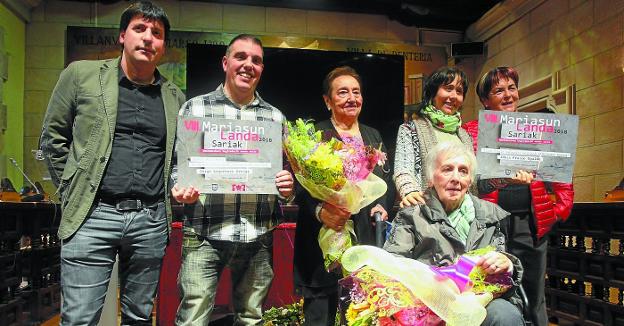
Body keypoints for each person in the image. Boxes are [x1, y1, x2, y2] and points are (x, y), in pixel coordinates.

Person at [38, 1, 185, 324]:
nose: (148, 38)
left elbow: (177, 157)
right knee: (79, 319)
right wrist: (73, 188)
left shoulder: (174, 97)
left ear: (163, 45)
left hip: (150, 220)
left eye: (156, 33)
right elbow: (52, 139)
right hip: (93, 215)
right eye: (139, 29)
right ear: (122, 35)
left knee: (139, 317)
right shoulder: (81, 75)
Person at [171, 34, 294, 325]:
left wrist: (287, 188)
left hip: (258, 234)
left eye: (256, 60)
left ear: (262, 69)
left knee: (251, 319)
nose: (248, 65)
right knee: (192, 319)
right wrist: (180, 187)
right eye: (241, 57)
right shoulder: (194, 109)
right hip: (204, 232)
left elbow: (287, 178)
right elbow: (178, 167)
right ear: (226, 62)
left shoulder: (276, 119)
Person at [463, 66, 574, 326]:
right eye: (498, 90)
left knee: (534, 294)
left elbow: (561, 176)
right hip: (488, 224)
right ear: (485, 100)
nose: (507, 95)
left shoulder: (538, 128)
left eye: (511, 88)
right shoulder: (470, 130)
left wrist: (559, 210)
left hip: (529, 223)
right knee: (489, 289)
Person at [293, 66, 392, 325]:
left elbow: (384, 181)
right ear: (328, 101)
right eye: (343, 92)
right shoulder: (315, 133)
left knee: (359, 315)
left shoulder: (373, 135)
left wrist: (381, 205)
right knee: (319, 318)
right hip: (322, 240)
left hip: (364, 237)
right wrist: (320, 211)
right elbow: (299, 185)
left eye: (356, 92)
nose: (352, 98)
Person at [384, 142, 525, 326]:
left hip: (481, 300)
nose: (456, 178)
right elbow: (392, 263)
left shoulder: (491, 215)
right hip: (427, 302)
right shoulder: (412, 215)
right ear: (430, 178)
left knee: (505, 316)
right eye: (447, 169)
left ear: (470, 181)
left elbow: (502, 269)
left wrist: (507, 264)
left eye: (463, 171)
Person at [393, 66, 474, 209]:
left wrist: (503, 177)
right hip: (425, 215)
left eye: (459, 91)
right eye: (448, 88)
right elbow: (403, 170)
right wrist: (410, 191)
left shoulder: (464, 136)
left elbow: (474, 182)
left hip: (462, 217)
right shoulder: (410, 129)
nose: (454, 96)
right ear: (433, 92)